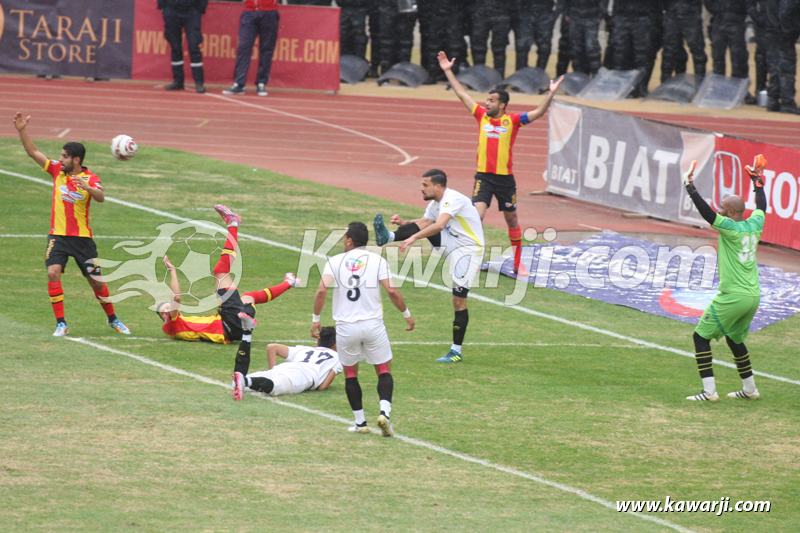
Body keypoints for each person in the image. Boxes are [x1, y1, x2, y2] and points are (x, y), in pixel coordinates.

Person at [438, 51, 563, 275]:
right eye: (487, 100)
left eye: (492, 101)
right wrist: (448, 70)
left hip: (505, 180)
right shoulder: (480, 115)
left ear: (502, 105)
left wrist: (551, 94)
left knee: (512, 219)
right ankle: (472, 260)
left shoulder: (513, 120)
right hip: (483, 178)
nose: (486, 103)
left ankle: (517, 263)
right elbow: (461, 93)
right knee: (476, 217)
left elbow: (539, 112)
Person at [13, 112, 131, 337]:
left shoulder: (91, 178)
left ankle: (113, 319)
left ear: (76, 160)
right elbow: (33, 152)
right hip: (58, 236)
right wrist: (22, 130)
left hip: (83, 240)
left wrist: (86, 188)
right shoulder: (57, 171)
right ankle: (61, 323)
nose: (61, 159)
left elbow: (100, 197)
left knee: (96, 282)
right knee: (53, 272)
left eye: (65, 156)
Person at [312, 222, 415, 437]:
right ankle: (384, 414)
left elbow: (322, 290)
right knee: (384, 370)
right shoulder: (378, 260)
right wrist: (407, 315)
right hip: (373, 325)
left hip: (346, 327)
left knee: (351, 374)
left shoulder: (335, 261)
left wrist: (316, 319)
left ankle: (360, 423)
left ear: (350, 240)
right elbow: (392, 291)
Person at [373, 169, 484, 364]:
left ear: (438, 186)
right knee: (425, 224)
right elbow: (425, 222)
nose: (421, 188)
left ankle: (456, 351)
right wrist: (405, 224)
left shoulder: (453, 199)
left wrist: (413, 238)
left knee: (458, 301)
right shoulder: (436, 204)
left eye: (425, 185)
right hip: (452, 243)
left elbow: (440, 225)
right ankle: (388, 236)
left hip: (467, 251)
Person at [681, 155, 767, 402]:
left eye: (722, 208)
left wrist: (691, 188)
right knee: (734, 338)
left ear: (730, 212)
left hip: (733, 296)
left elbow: (708, 215)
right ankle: (750, 390)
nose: (719, 210)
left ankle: (709, 392)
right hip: (752, 295)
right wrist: (757, 182)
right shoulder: (755, 224)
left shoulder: (729, 227)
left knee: (700, 337)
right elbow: (761, 206)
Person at [157, 205, 298, 343]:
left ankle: (289, 283)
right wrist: (172, 271)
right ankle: (233, 223)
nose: (169, 309)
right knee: (221, 271)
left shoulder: (180, 325)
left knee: (250, 297)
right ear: (164, 316)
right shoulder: (171, 324)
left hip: (233, 329)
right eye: (166, 310)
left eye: (167, 307)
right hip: (227, 322)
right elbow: (177, 299)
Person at [231, 318, 342, 399]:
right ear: (336, 345)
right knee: (275, 388)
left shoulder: (304, 349)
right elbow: (323, 386)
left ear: (318, 343)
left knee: (235, 384)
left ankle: (245, 379)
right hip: (303, 375)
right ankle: (246, 380)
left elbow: (272, 347)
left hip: (284, 367)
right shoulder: (338, 358)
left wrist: (273, 371)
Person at [223, 0, 280, 97]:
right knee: (243, 47)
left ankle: (261, 83)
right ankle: (239, 83)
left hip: (269, 12)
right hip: (249, 12)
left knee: (266, 49)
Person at [158, 0, 208, 93]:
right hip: (172, 10)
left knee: (194, 46)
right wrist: (162, 6)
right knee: (175, 47)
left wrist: (201, 9)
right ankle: (178, 81)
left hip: (192, 11)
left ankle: (199, 82)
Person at [661, 0, 706, 83]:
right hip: (673, 15)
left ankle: (700, 83)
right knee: (669, 52)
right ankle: (665, 83)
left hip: (691, 16)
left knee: (698, 52)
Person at [705, 0, 749, 80]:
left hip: (736, 22)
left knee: (738, 57)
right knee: (718, 57)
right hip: (718, 21)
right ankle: (718, 85)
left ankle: (737, 85)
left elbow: (747, 4)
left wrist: (738, 14)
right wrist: (718, 11)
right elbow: (708, 3)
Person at [561, 0, 606, 77]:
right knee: (576, 50)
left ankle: (596, 77)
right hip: (575, 16)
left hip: (591, 17)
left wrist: (600, 16)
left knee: (592, 49)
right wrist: (566, 13)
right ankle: (579, 77)